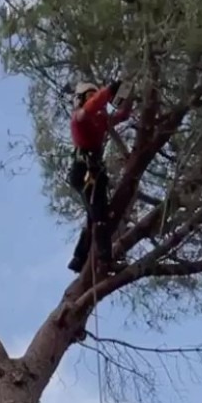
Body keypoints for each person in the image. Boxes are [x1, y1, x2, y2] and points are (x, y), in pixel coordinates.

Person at [67, 79, 133, 274]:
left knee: (92, 217)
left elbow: (123, 115)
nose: (96, 101)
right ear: (81, 100)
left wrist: (127, 95)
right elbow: (89, 108)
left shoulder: (100, 120)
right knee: (100, 217)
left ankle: (79, 258)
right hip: (84, 173)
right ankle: (105, 261)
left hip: (96, 173)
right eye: (89, 96)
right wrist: (107, 91)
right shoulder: (78, 119)